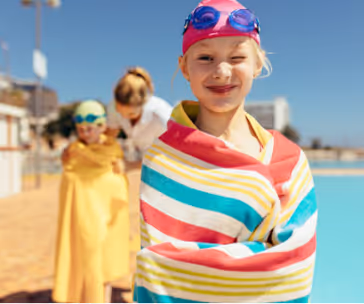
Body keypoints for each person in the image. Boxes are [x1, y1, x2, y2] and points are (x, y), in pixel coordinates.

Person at [133, 0, 318, 303]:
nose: (221, 71)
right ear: (184, 67)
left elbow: (295, 267)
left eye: (236, 57)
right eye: (205, 57)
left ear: (257, 64)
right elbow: (158, 266)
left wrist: (194, 267)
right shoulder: (163, 158)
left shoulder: (289, 161)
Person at [53, 100, 130, 303]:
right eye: (81, 129)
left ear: (102, 126)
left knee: (102, 263)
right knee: (86, 262)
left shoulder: (113, 152)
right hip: (81, 219)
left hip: (105, 218)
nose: (85, 133)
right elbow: (70, 183)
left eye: (89, 129)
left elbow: (117, 184)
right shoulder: (73, 152)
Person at [106, 67, 172, 162]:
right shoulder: (113, 107)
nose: (124, 117)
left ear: (143, 103)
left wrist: (131, 167)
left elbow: (172, 155)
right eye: (120, 111)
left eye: (131, 114)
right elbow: (109, 136)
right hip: (138, 156)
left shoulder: (162, 117)